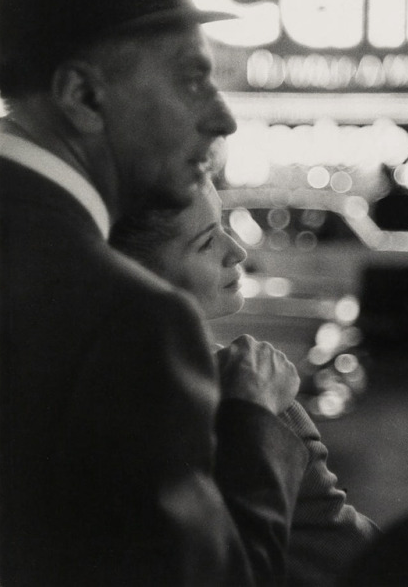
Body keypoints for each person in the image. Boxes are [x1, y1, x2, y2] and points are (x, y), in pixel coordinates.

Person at [0, 0, 310, 585]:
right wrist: (253, 424)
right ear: (83, 96)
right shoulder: (133, 322)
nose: (222, 117)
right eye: (191, 78)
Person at [110, 180, 379, 586]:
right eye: (206, 242)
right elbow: (343, 546)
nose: (237, 250)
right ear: (143, 277)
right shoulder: (250, 391)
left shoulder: (102, 382)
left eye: (223, 226)